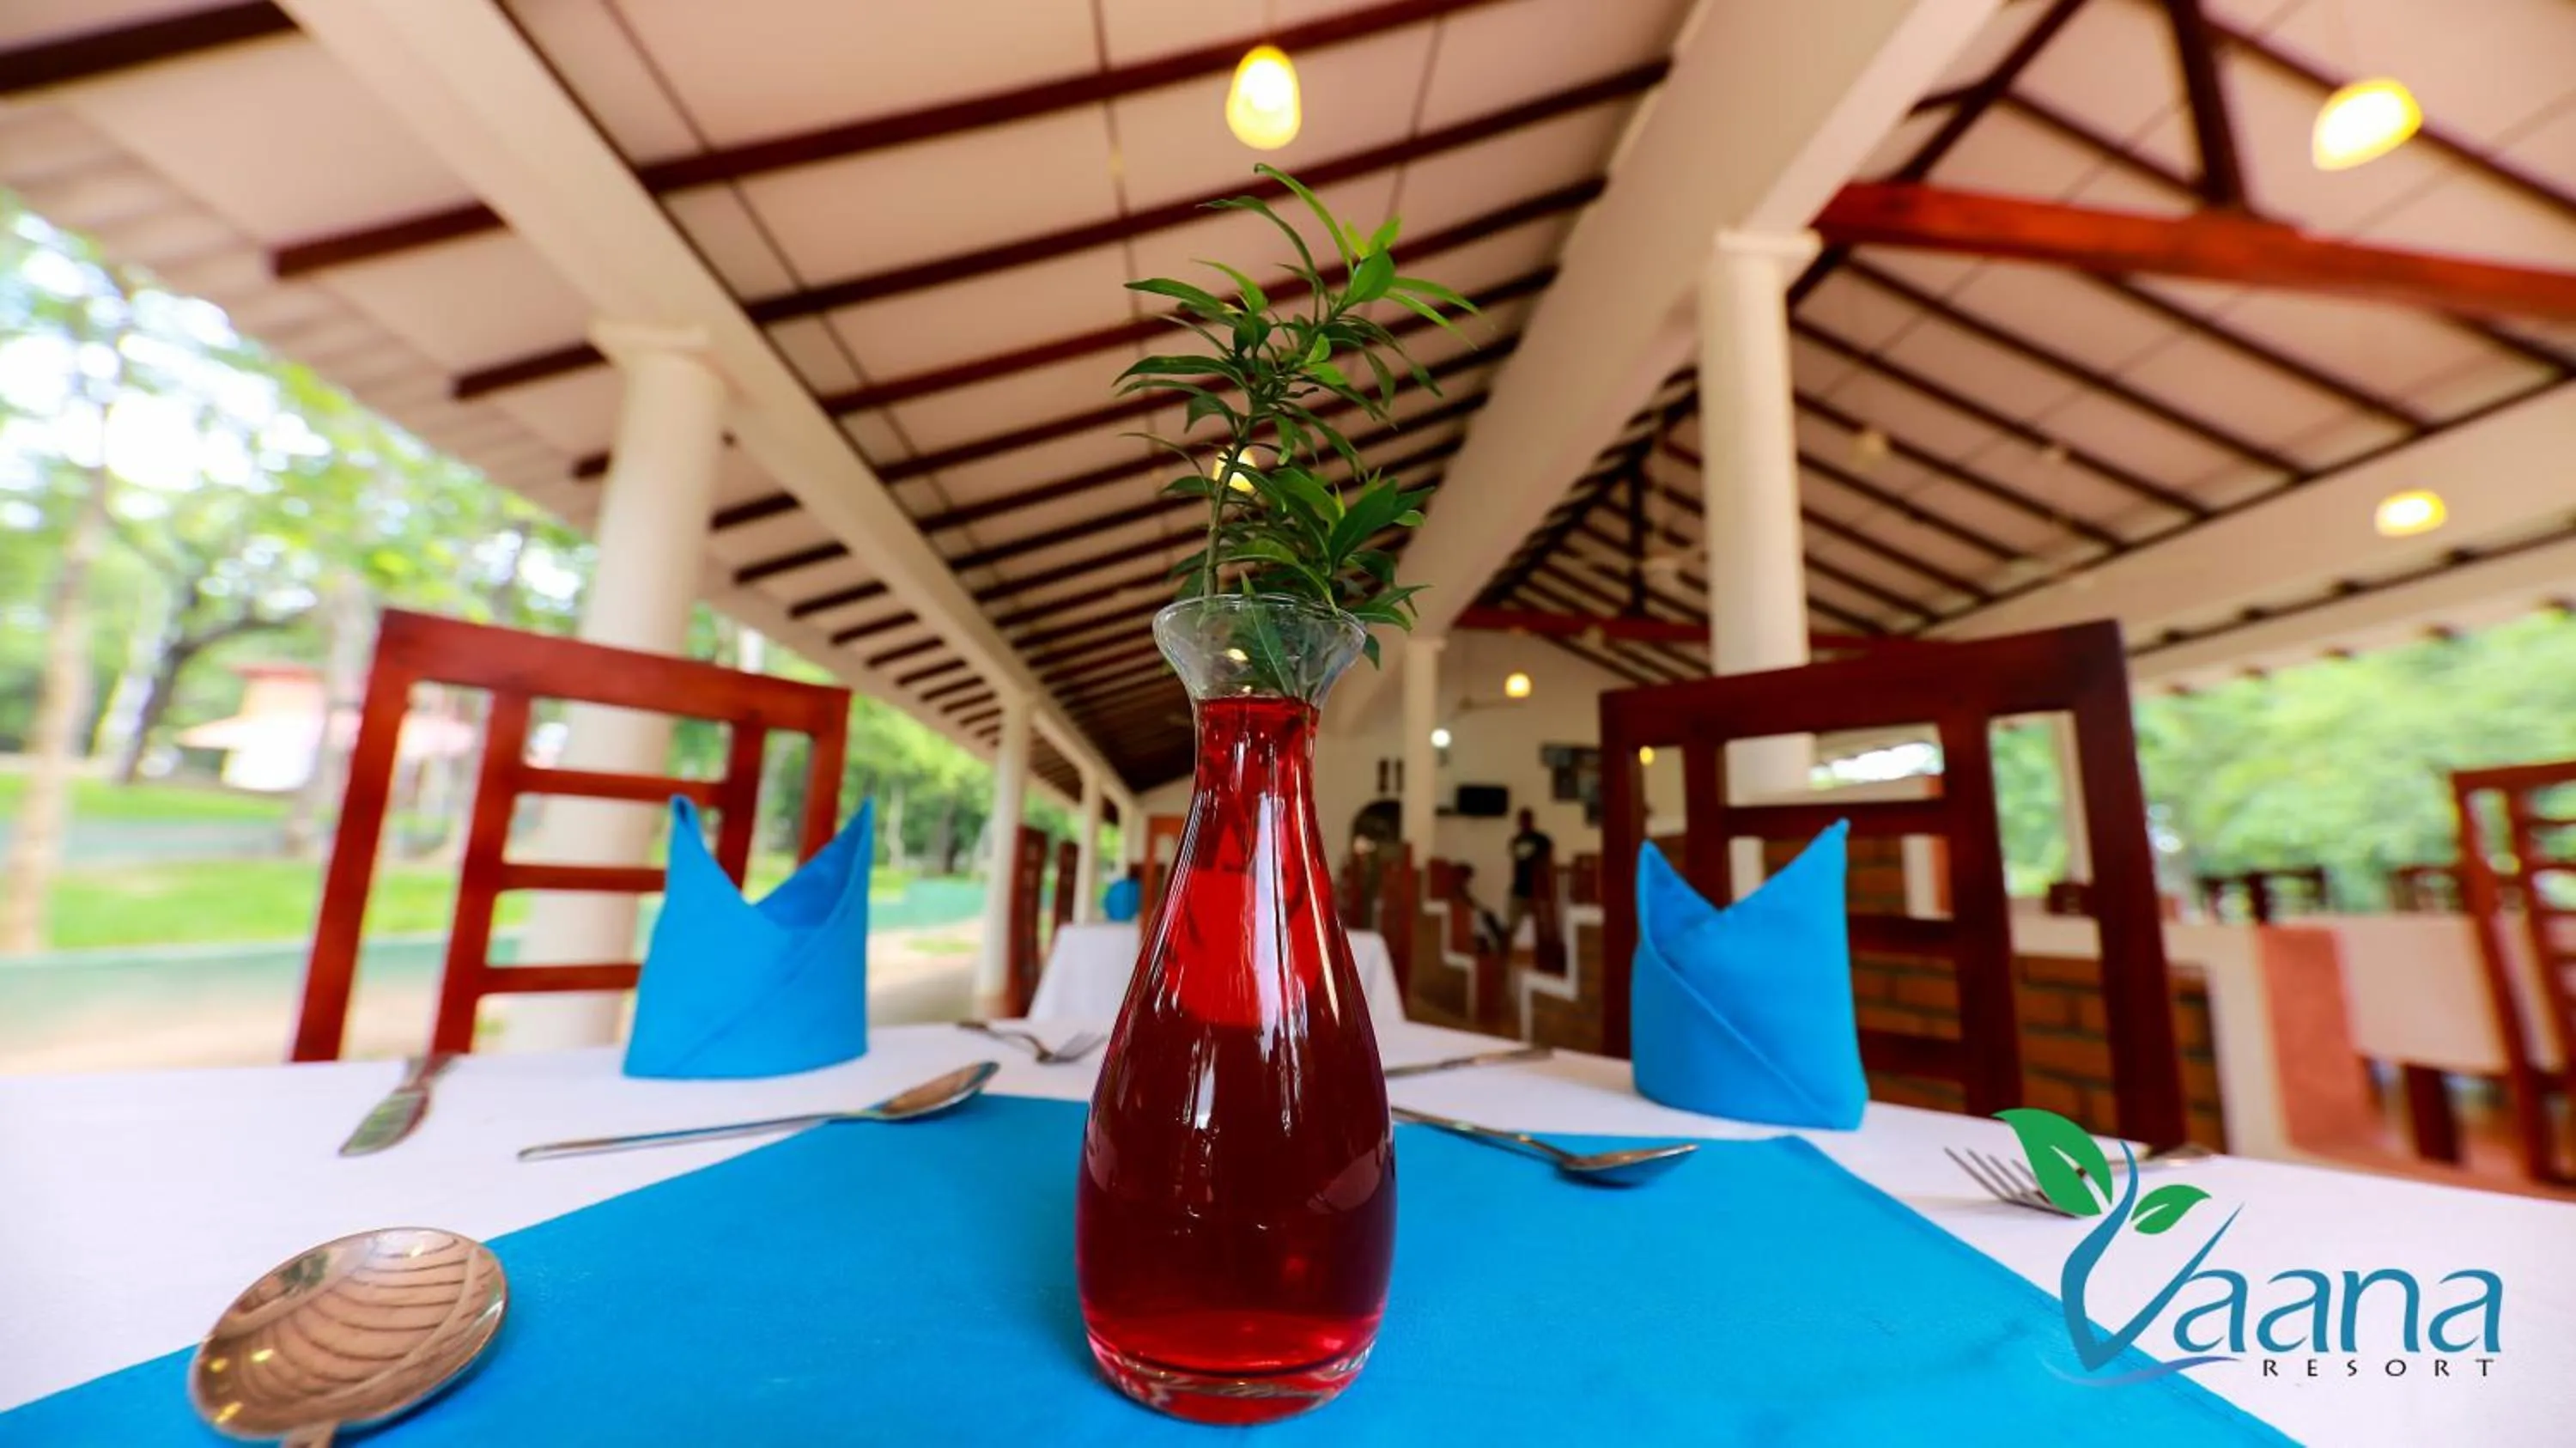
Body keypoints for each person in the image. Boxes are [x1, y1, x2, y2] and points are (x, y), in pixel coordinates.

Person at [1501, 808, 1554, 953]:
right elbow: (1514, 864)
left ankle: (1544, 954)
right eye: (1521, 820)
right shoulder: (1515, 840)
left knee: (1542, 926)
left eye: (1526, 819)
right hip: (1519, 889)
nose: (1523, 823)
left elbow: (1548, 862)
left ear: (1532, 820)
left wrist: (1546, 887)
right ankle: (1508, 955)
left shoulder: (1542, 840)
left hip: (1538, 890)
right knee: (1512, 923)